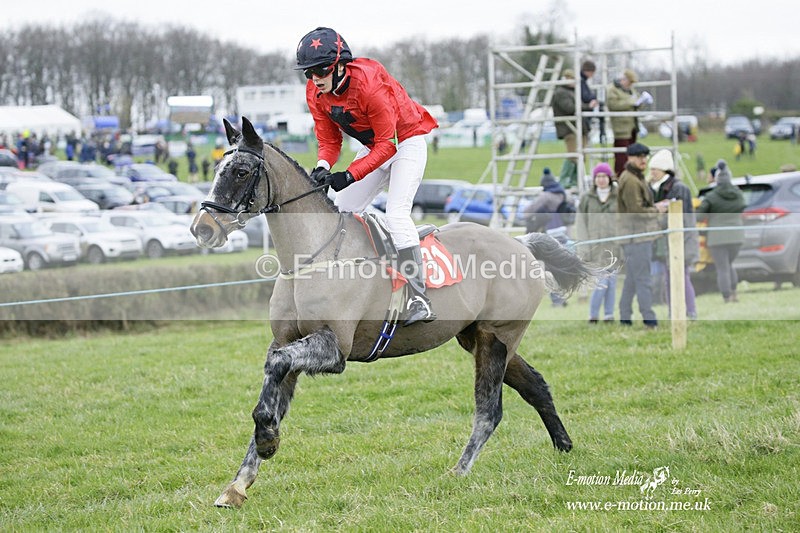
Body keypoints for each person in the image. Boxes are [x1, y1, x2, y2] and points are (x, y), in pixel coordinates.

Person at [296, 27, 438, 326]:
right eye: (308, 73)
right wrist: (323, 165)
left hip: (406, 143)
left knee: (397, 214)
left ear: (341, 65)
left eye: (321, 70)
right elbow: (330, 140)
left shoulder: (370, 84)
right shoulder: (315, 91)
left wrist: (349, 174)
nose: (315, 79)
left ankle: (418, 298)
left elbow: (390, 144)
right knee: (340, 210)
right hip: (376, 147)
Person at [616, 143, 666, 328]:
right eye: (638, 156)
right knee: (644, 279)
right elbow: (635, 210)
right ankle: (649, 319)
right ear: (630, 158)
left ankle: (625, 317)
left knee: (632, 279)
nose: (643, 159)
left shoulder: (635, 177)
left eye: (645, 156)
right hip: (636, 238)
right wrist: (657, 209)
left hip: (636, 237)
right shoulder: (630, 179)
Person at [648, 149, 700, 319]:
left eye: (655, 169)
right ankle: (674, 312)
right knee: (668, 278)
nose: (652, 172)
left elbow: (681, 216)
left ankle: (690, 311)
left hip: (681, 239)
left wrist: (659, 214)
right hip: (664, 242)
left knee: (681, 277)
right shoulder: (654, 188)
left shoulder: (679, 188)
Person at [695, 159, 747, 303]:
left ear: (717, 180)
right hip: (737, 236)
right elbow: (743, 205)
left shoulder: (711, 197)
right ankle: (734, 293)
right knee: (730, 265)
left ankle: (726, 296)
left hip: (717, 238)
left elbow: (699, 216)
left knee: (722, 268)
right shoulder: (738, 194)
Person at [576, 162, 619, 323]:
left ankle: (609, 314)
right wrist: (584, 246)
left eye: (604, 176)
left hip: (614, 247)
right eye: (598, 176)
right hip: (594, 247)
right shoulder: (587, 198)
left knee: (612, 282)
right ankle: (593, 315)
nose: (601, 180)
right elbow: (581, 223)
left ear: (609, 178)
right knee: (601, 281)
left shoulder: (618, 196)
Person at [607, 69, 652, 176]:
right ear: (624, 79)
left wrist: (642, 102)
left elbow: (636, 102)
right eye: (630, 82)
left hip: (632, 127)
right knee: (621, 156)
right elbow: (613, 105)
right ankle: (620, 176)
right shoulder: (612, 90)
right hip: (621, 128)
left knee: (633, 154)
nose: (631, 85)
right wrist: (632, 102)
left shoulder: (630, 90)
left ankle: (632, 174)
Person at [552, 70, 580, 189]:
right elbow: (570, 108)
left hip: (575, 127)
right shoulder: (561, 92)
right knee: (573, 155)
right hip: (568, 128)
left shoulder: (571, 92)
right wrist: (586, 106)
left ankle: (574, 180)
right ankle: (564, 180)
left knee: (578, 155)